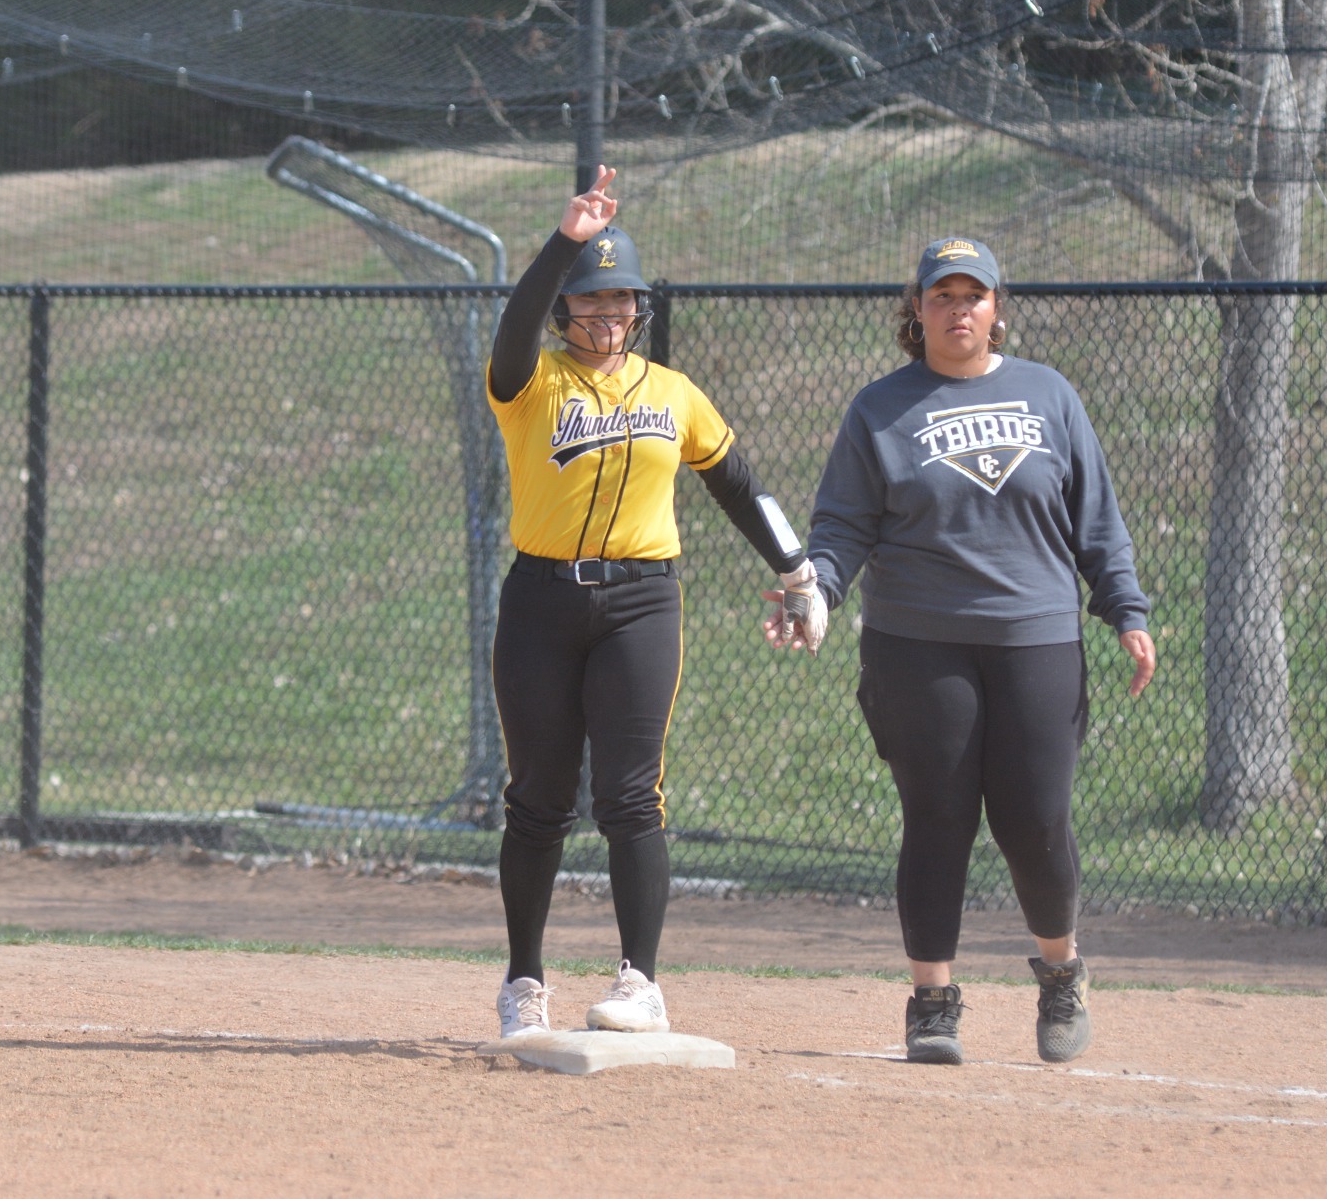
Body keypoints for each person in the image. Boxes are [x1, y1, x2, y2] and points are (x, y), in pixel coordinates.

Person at [765, 235, 1155, 1066]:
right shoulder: (880, 408)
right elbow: (840, 527)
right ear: (917, 310)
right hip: (919, 643)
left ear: (997, 309)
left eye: (973, 295)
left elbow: (1097, 522)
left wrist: (1125, 608)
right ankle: (932, 1003)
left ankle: (1060, 973)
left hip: (1035, 636)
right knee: (937, 818)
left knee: (1036, 819)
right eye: (942, 296)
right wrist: (818, 593)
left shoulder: (1049, 395)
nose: (958, 310)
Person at [487, 165, 819, 1040]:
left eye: (622, 301)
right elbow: (513, 329)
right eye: (589, 302)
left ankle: (640, 980)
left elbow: (740, 485)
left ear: (642, 309)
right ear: (564, 311)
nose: (607, 317)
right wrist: (563, 244)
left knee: (633, 796)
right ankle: (524, 980)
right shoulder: (531, 385)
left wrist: (798, 571)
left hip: (642, 603)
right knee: (539, 799)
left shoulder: (673, 393)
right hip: (540, 602)